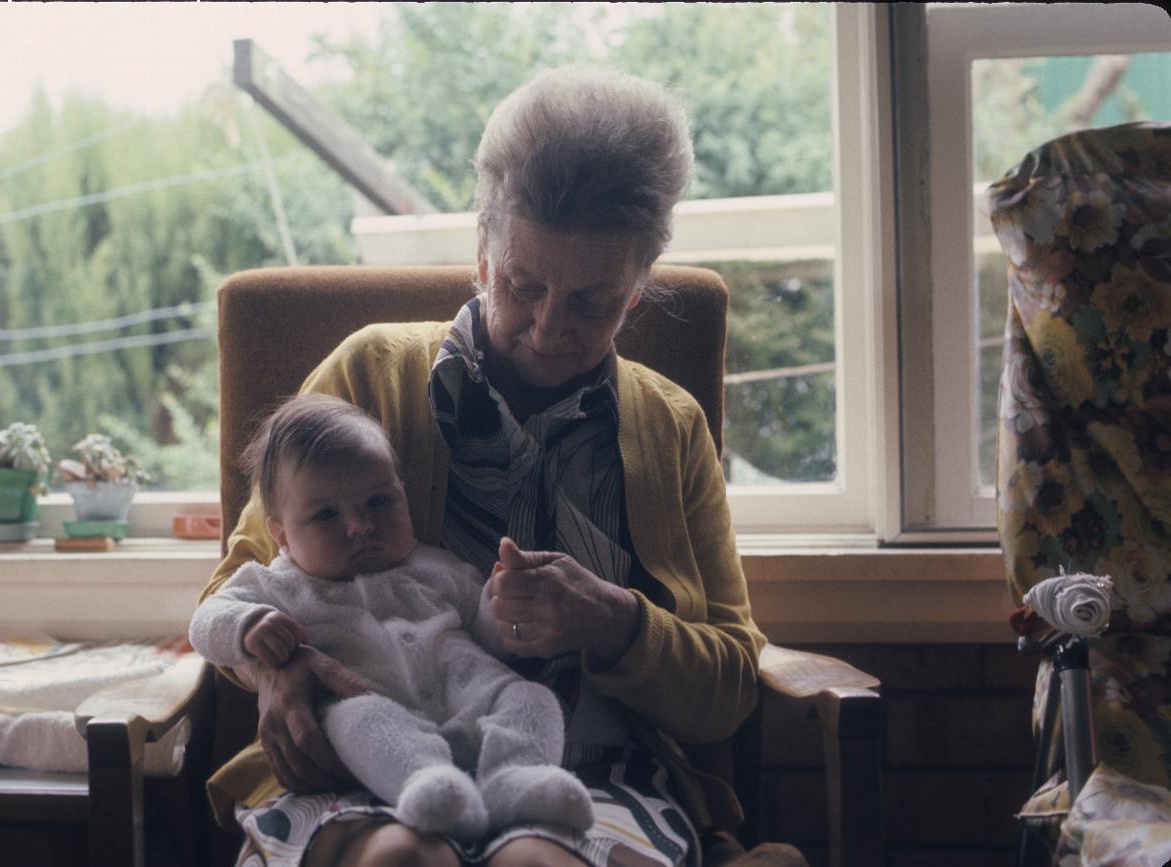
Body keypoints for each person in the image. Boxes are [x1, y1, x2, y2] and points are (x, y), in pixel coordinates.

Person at [203, 65, 777, 867]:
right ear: (482, 254)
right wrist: (286, 661)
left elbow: (728, 691)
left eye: (590, 302)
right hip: (361, 762)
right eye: (523, 284)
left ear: (638, 291)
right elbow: (239, 589)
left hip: (589, 775)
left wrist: (616, 622)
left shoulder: (671, 428)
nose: (547, 327)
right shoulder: (367, 375)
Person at [188, 393, 594, 842]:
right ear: (282, 536)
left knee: (531, 700)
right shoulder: (276, 584)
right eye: (326, 514)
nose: (360, 525)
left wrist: (498, 602)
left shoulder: (437, 565)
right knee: (358, 722)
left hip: (467, 691)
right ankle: (428, 786)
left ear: (404, 493)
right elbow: (206, 620)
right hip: (371, 704)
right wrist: (248, 626)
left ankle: (516, 780)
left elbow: (487, 638)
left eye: (379, 502)